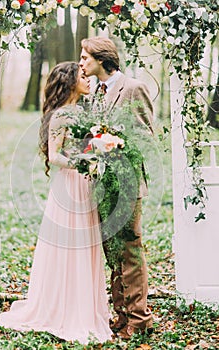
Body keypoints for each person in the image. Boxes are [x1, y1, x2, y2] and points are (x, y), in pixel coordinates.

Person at [0, 62, 112, 344]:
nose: (87, 79)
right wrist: (84, 161)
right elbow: (54, 157)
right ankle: (64, 309)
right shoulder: (60, 116)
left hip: (84, 185)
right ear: (70, 82)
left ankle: (84, 306)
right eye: (82, 76)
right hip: (70, 184)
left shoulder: (82, 112)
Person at [79, 36, 154, 339]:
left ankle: (140, 319)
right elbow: (89, 139)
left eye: (85, 57)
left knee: (130, 251)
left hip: (127, 184)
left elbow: (147, 136)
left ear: (101, 58)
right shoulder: (94, 93)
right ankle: (121, 316)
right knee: (112, 253)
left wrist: (115, 144)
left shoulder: (133, 88)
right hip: (101, 185)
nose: (81, 62)